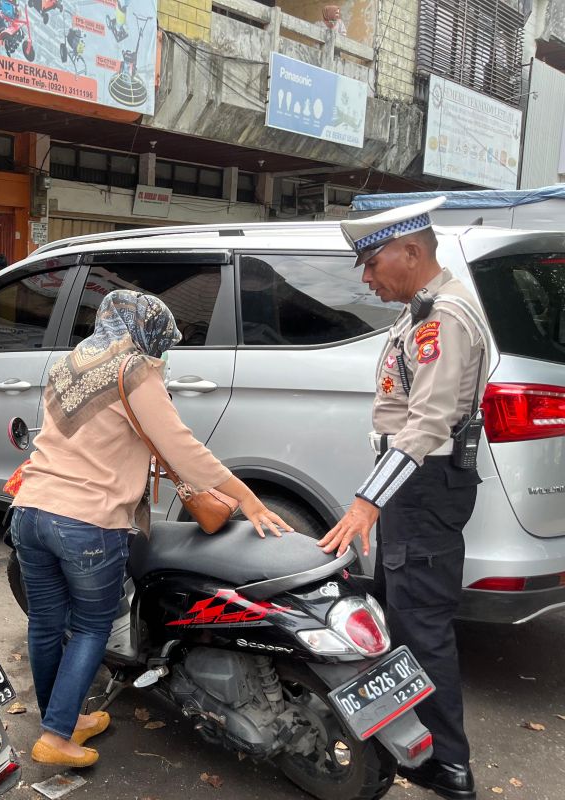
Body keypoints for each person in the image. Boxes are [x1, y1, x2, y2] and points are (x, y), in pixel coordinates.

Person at [8, 289, 292, 768]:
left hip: (30, 510)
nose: (162, 351)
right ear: (147, 331)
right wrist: (248, 499)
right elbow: (182, 448)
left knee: (46, 622)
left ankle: (62, 719)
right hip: (86, 521)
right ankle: (57, 736)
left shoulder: (71, 363)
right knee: (92, 625)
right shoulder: (134, 368)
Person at [319, 197, 487, 800]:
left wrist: (369, 501)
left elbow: (427, 424)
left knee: (422, 625)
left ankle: (449, 766)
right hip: (412, 487)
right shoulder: (421, 312)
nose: (366, 277)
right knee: (399, 613)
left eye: (371, 262)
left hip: (421, 485)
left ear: (409, 252)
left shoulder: (444, 318)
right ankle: (412, 742)